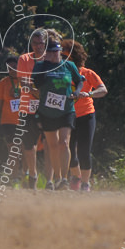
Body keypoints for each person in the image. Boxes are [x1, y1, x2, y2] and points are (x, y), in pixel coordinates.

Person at [30, 39, 84, 190]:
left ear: (60, 51)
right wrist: (46, 65)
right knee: (52, 145)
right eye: (50, 52)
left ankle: (65, 179)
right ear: (46, 53)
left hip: (66, 109)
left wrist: (77, 92)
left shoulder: (69, 65)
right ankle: (57, 178)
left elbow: (79, 81)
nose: (54, 55)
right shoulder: (41, 66)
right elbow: (37, 84)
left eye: (56, 51)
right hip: (47, 111)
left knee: (64, 143)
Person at [63, 39, 107, 192]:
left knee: (84, 151)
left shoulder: (88, 73)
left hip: (86, 115)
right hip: (68, 115)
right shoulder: (61, 72)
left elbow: (103, 90)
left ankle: (85, 183)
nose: (63, 58)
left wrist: (88, 93)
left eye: (66, 55)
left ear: (75, 56)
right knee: (67, 149)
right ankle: (76, 177)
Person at [16, 28, 48, 190]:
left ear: (45, 44)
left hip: (48, 109)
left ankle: (53, 179)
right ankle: (33, 175)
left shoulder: (51, 60)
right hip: (27, 108)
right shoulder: (24, 59)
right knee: (29, 144)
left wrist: (41, 92)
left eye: (41, 43)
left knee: (51, 143)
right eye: (35, 43)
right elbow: (23, 82)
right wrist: (39, 91)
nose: (38, 46)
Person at [0, 54, 26, 184]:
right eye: (9, 67)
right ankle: (14, 178)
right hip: (8, 122)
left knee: (26, 150)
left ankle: (25, 176)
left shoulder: (26, 81)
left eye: (15, 66)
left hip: (25, 120)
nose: (12, 69)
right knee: (13, 151)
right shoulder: (3, 83)